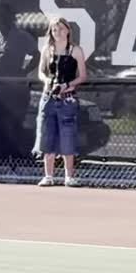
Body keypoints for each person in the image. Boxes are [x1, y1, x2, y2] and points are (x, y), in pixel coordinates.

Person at [35, 15, 87, 187]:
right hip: (48, 98)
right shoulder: (47, 49)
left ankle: (69, 176)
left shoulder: (76, 50)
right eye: (54, 29)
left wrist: (67, 85)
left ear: (68, 31)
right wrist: (47, 81)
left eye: (61, 29)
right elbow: (41, 72)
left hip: (67, 100)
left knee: (67, 136)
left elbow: (83, 76)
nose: (58, 32)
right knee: (46, 135)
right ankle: (48, 176)